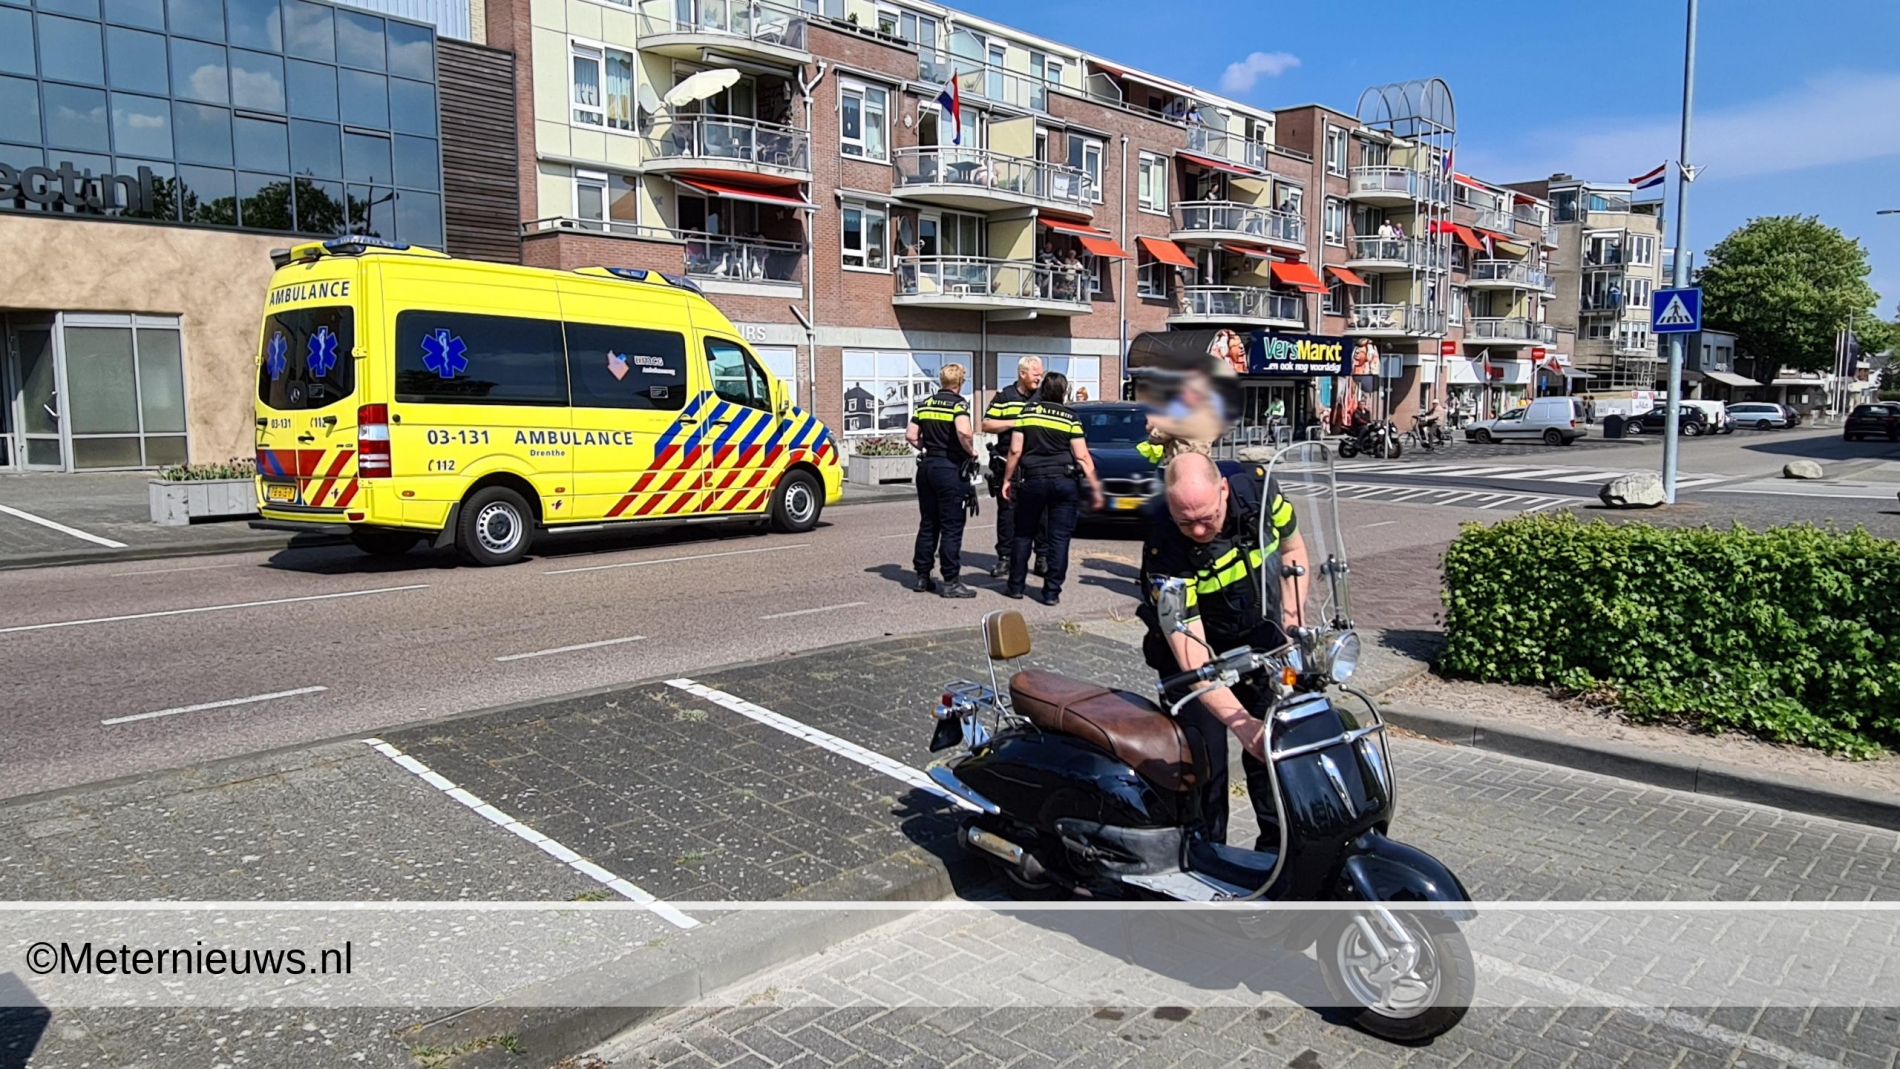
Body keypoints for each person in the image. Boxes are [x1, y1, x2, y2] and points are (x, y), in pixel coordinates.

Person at [1137, 452, 1307, 845]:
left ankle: (1277, 855)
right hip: (1199, 661)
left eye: (1206, 517)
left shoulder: (1262, 494)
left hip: (1262, 645)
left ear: (1224, 490)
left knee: (1275, 758)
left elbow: (1294, 551)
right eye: (1186, 521)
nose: (1197, 530)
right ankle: (1208, 857)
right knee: (1205, 765)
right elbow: (1192, 656)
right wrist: (1241, 724)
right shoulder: (1165, 546)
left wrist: (1293, 622)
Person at [1002, 372, 1104, 606]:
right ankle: (1051, 592)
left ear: (1043, 390)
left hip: (1033, 481)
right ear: (1063, 392)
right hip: (1063, 482)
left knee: (1023, 533)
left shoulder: (1027, 412)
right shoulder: (1070, 417)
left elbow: (1015, 451)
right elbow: (1083, 456)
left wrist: (1007, 480)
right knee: (1059, 538)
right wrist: (1096, 489)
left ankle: (1016, 587)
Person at [905, 364, 977, 599]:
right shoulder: (958, 404)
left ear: (941, 381)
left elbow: (911, 435)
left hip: (926, 468)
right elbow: (964, 432)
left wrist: (926, 446)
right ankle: (951, 581)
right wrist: (971, 451)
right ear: (960, 383)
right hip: (949, 468)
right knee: (951, 527)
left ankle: (922, 576)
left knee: (928, 523)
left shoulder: (925, 404)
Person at [983, 356, 1050, 579]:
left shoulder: (1044, 397)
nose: (1039, 378)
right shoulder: (1005, 397)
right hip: (1008, 465)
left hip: (1037, 465)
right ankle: (1005, 559)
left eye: (1040, 374)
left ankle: (1042, 558)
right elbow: (986, 424)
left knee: (1041, 514)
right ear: (1022, 374)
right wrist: (1015, 422)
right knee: (1007, 515)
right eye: (1035, 374)